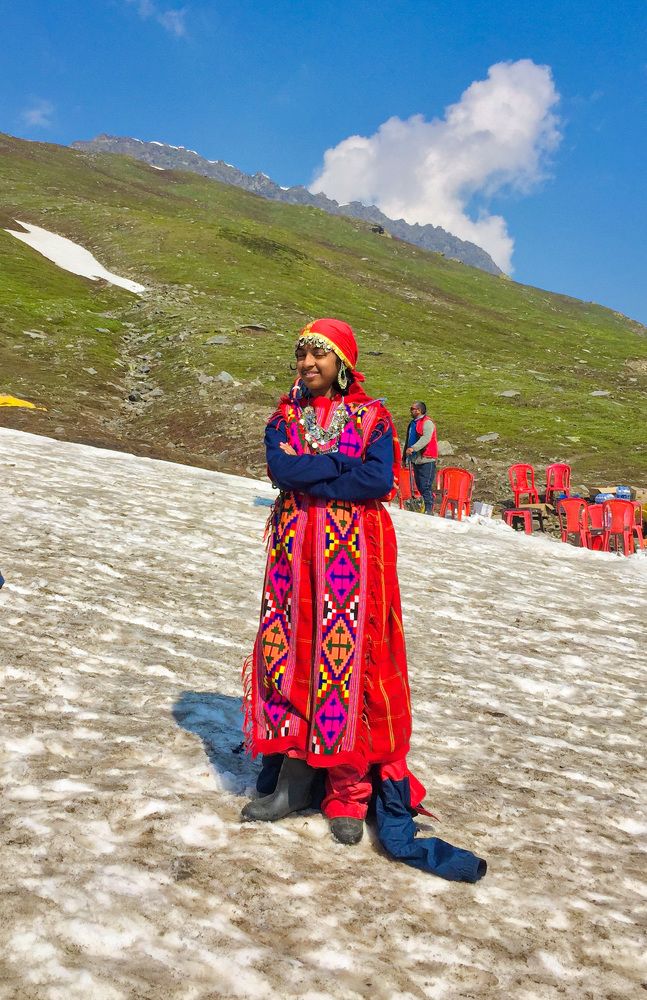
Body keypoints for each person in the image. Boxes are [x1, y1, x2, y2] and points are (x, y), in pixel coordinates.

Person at [240, 318, 486, 883]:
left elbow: (378, 481)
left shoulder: (373, 419)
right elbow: (281, 467)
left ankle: (347, 792)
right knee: (292, 658)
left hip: (354, 563)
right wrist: (336, 468)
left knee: (348, 664)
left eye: (317, 356)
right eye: (300, 355)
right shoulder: (283, 418)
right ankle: (294, 781)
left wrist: (314, 475)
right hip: (294, 560)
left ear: (342, 363)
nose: (306, 365)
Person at [404, 401, 437, 515]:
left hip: (427, 458)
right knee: (419, 485)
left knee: (425, 485)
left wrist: (414, 448)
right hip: (415, 459)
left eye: (413, 409)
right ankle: (424, 507)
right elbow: (409, 440)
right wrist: (405, 457)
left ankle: (429, 508)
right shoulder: (412, 423)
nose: (411, 411)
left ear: (419, 410)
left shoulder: (427, 422)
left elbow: (426, 438)